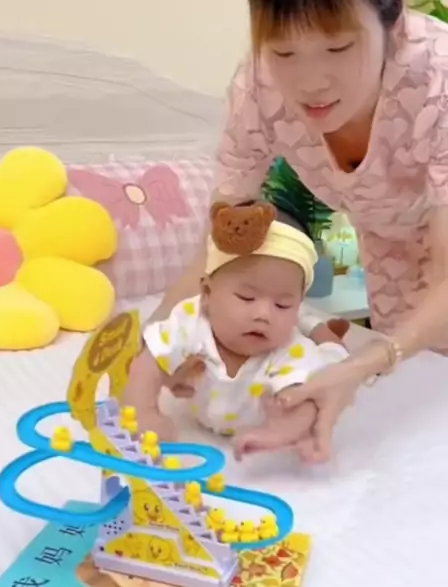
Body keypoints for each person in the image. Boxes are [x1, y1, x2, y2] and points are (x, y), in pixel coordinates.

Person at [148, 0, 448, 461]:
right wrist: (153, 341)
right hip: (386, 239)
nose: (311, 83)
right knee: (423, 376)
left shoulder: (437, 79)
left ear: (393, 22)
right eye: (283, 52)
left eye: (338, 47)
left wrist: (362, 366)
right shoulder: (259, 90)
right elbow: (223, 238)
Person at [125, 200, 348, 457]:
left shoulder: (291, 349)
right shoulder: (191, 321)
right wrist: (144, 411)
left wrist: (280, 432)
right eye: (246, 298)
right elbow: (147, 363)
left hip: (325, 359)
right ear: (207, 294)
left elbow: (305, 402)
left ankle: (319, 328)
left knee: (336, 355)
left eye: (282, 304)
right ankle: (306, 319)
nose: (263, 314)